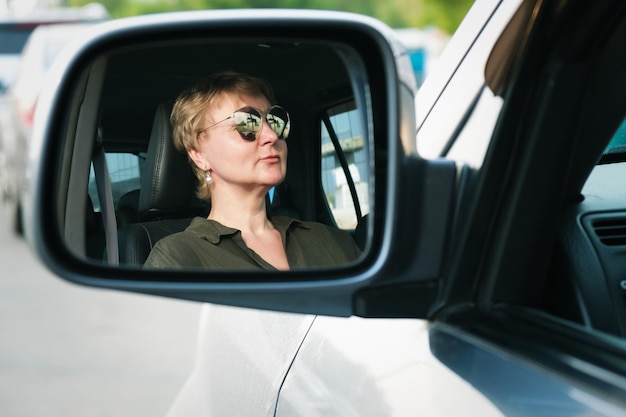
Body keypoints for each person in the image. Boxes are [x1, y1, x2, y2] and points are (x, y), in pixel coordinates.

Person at [144, 71, 361, 270]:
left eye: (275, 122)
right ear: (199, 155)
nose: (272, 136)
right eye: (247, 124)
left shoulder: (330, 239)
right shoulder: (177, 258)